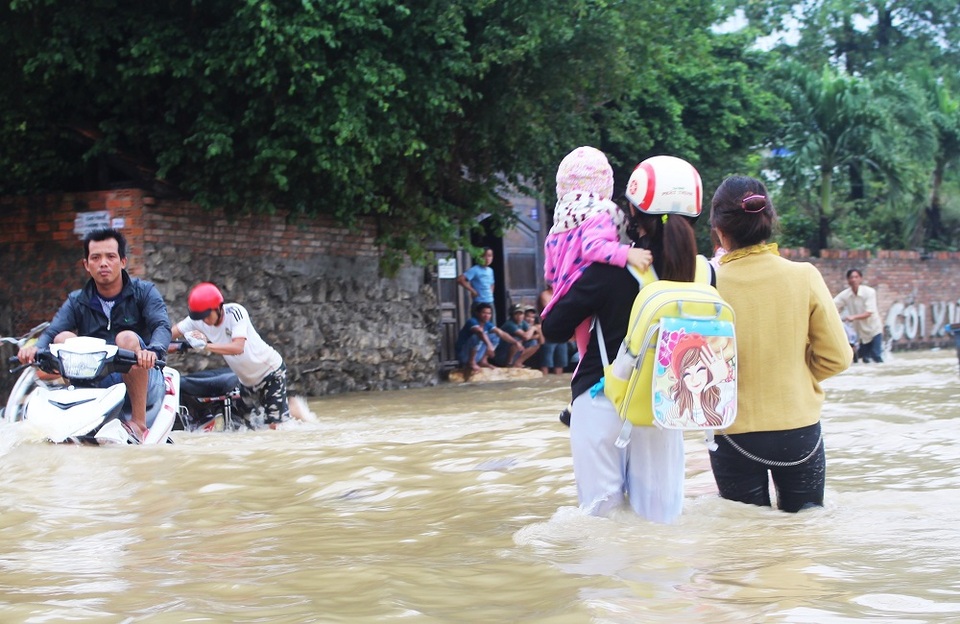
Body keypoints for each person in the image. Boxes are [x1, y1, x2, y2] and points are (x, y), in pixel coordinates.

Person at [540, 159, 701, 524]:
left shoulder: (609, 271)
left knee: (602, 525)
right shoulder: (703, 274)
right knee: (662, 524)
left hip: (602, 400)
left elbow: (552, 327)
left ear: (631, 210)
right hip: (665, 407)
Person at [708, 176, 851, 512]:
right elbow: (839, 358)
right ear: (769, 220)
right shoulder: (805, 276)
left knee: (744, 541)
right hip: (798, 430)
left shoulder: (706, 283)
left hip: (732, 432)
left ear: (718, 229)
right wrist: (797, 375)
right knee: (804, 536)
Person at [17, 228, 171, 443]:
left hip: (141, 378)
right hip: (93, 377)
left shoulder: (144, 292)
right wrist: (35, 349)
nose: (103, 263)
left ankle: (138, 423)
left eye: (111, 256)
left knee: (126, 338)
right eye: (96, 258)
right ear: (86, 265)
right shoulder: (76, 300)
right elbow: (52, 332)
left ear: (123, 261)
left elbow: (162, 325)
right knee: (63, 338)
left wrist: (154, 350)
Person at [540, 146, 653, 361]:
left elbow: (549, 272)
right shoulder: (599, 215)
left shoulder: (558, 226)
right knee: (594, 350)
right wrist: (627, 253)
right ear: (605, 185)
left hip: (567, 295)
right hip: (591, 287)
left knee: (585, 355)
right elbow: (593, 247)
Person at [172, 282, 290, 429]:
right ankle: (292, 412)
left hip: (271, 372)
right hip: (247, 381)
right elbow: (172, 333)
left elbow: (238, 347)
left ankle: (293, 416)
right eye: (200, 317)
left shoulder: (235, 313)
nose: (204, 321)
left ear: (218, 308)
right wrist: (152, 347)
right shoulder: (198, 320)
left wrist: (205, 345)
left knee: (275, 428)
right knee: (246, 428)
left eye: (207, 316)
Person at [834, 268, 884, 363]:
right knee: (864, 359)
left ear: (861, 279)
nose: (854, 280)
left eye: (856, 277)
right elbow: (832, 305)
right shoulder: (845, 294)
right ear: (848, 280)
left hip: (874, 330)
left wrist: (853, 317)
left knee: (876, 356)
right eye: (851, 277)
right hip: (861, 332)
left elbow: (869, 312)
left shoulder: (869, 292)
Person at [454, 302, 520, 372]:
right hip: (464, 355)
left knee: (495, 336)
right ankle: (471, 362)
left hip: (477, 354)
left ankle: (483, 361)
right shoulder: (472, 321)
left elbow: (501, 333)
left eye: (489, 313)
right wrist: (489, 345)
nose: (487, 315)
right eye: (484, 313)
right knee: (477, 336)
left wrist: (515, 342)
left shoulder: (487, 324)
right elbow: (480, 332)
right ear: (477, 313)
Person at [538, 283, 570, 375]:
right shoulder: (545, 294)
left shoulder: (562, 293)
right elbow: (549, 309)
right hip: (550, 328)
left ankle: (557, 380)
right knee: (546, 360)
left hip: (562, 329)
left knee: (561, 360)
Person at [457, 247, 496, 316]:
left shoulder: (490, 270)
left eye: (489, 256)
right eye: (484, 256)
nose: (487, 258)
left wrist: (490, 293)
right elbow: (460, 279)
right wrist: (473, 291)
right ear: (480, 257)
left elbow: (492, 283)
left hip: (490, 302)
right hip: (479, 302)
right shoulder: (475, 269)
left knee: (491, 326)